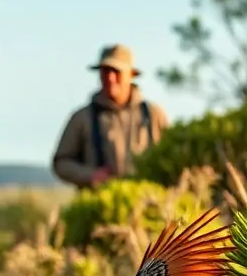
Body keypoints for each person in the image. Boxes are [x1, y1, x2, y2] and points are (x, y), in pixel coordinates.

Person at [51, 43, 169, 189]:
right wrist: (91, 175)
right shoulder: (82, 118)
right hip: (98, 206)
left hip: (147, 205)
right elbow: (61, 163)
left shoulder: (153, 115)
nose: (110, 78)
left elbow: (172, 159)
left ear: (131, 74)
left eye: (116, 71)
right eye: (105, 71)